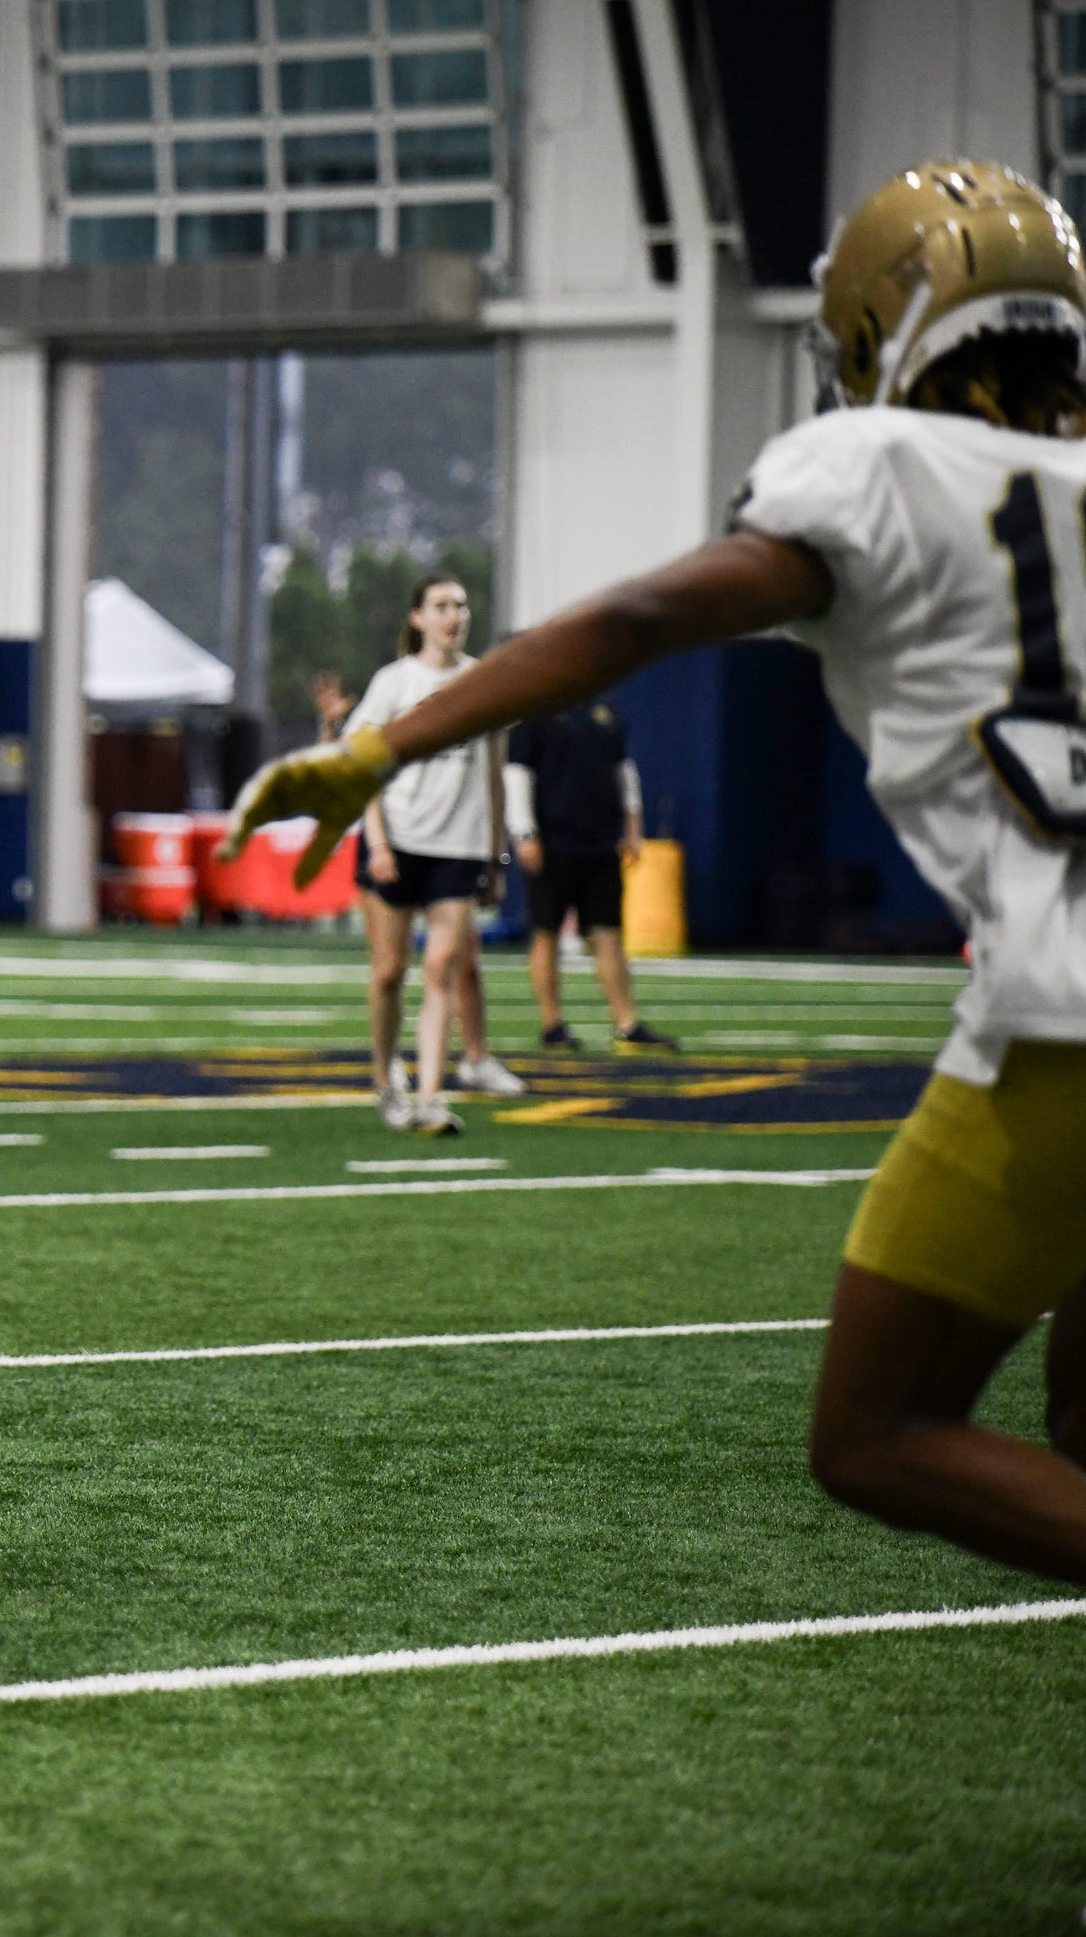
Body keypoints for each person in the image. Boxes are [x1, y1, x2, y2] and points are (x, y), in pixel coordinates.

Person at [228, 159, 1086, 1584]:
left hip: (1063, 1026)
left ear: (889, 325)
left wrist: (387, 748)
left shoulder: (873, 467)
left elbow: (641, 617)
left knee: (874, 1433)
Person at [345, 580, 526, 1134]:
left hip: (458, 849)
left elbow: (494, 775)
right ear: (418, 617)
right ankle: (385, 1078)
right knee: (389, 973)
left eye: (462, 606)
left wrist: (497, 856)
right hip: (396, 845)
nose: (455, 615)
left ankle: (429, 1097)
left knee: (441, 969)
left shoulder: (484, 683)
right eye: (443, 606)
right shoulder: (395, 683)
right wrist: (376, 841)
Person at [508, 700, 680, 1051]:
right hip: (553, 840)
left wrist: (633, 825)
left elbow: (624, 769)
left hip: (600, 841)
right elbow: (517, 775)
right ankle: (552, 1024)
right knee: (546, 931)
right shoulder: (534, 713)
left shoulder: (606, 712)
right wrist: (525, 833)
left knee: (608, 932)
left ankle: (627, 1023)